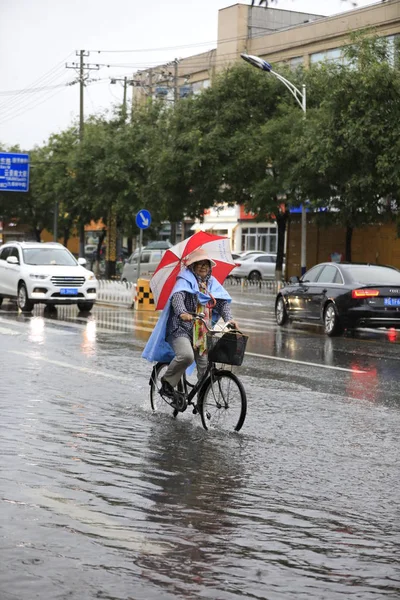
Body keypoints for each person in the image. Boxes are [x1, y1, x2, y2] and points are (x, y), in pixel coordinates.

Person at [142, 247, 237, 405]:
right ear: (192, 266)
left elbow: (222, 303)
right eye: (199, 264)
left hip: (201, 331)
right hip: (180, 329)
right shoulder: (184, 281)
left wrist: (229, 319)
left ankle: (201, 403)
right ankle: (167, 382)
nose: (203, 267)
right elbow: (177, 298)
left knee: (205, 367)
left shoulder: (211, 284)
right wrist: (182, 313)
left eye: (206, 264)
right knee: (186, 356)